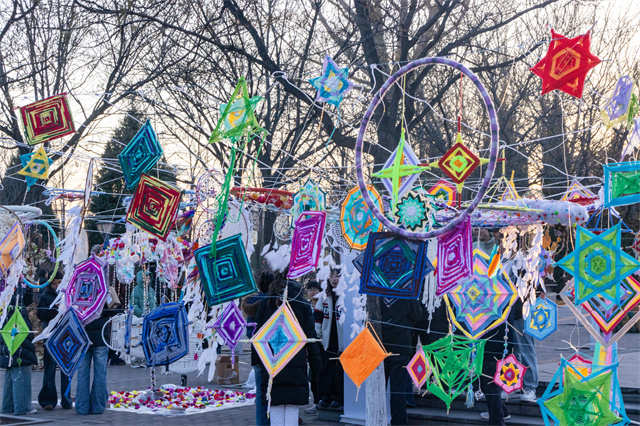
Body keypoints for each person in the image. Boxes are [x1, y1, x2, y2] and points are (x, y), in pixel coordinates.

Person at [254, 270, 321, 426]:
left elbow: (258, 336)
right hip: (295, 361)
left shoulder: (267, 302)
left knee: (275, 407)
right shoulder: (302, 303)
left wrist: (257, 361)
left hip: (272, 362)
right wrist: (316, 364)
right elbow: (310, 335)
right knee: (292, 408)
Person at [379, 298, 422, 425]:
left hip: (379, 344)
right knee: (398, 390)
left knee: (378, 389)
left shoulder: (376, 290)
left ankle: (377, 420)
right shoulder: (407, 292)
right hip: (400, 344)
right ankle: (398, 422)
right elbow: (417, 314)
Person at [242, 271, 273, 426]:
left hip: (258, 354)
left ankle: (261, 423)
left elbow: (250, 332)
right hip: (276, 354)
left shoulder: (252, 303)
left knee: (261, 392)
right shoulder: (275, 302)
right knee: (275, 392)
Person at [37, 274, 72, 410]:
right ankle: (48, 400)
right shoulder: (45, 297)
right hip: (51, 335)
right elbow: (41, 315)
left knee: (66, 368)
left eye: (59, 282)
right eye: (54, 283)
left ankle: (66, 399)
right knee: (50, 368)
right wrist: (55, 309)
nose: (57, 286)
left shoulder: (68, 294)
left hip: (66, 335)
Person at [1, 296, 38, 416]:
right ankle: (22, 407)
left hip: (6, 336)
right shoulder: (15, 299)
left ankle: (8, 406)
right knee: (20, 371)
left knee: (11, 371)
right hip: (17, 337)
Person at [314, 269, 344, 411]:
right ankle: (326, 396)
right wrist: (318, 334)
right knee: (328, 367)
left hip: (343, 338)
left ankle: (340, 397)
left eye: (337, 276)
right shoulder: (325, 296)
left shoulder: (346, 295)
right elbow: (318, 316)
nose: (334, 279)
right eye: (331, 276)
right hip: (328, 337)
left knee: (342, 368)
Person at [75, 311, 109, 415]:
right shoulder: (102, 299)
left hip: (82, 335)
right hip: (100, 336)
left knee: (82, 374)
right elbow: (115, 310)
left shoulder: (77, 299)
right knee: (100, 374)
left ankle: (82, 407)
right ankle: (98, 406)